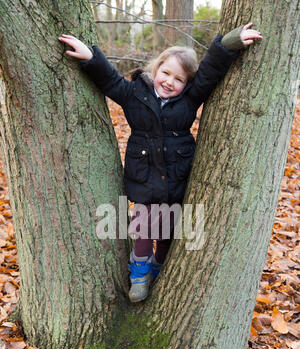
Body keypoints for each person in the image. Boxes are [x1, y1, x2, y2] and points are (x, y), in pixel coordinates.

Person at [58, 22, 262, 303]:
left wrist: (229, 42)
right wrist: (91, 57)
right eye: (165, 73)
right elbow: (110, 81)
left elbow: (209, 72)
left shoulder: (190, 100)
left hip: (176, 176)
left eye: (178, 79)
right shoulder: (134, 94)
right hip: (143, 176)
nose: (169, 81)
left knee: (167, 230)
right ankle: (139, 274)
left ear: (186, 84)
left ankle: (160, 267)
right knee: (142, 226)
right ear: (155, 70)